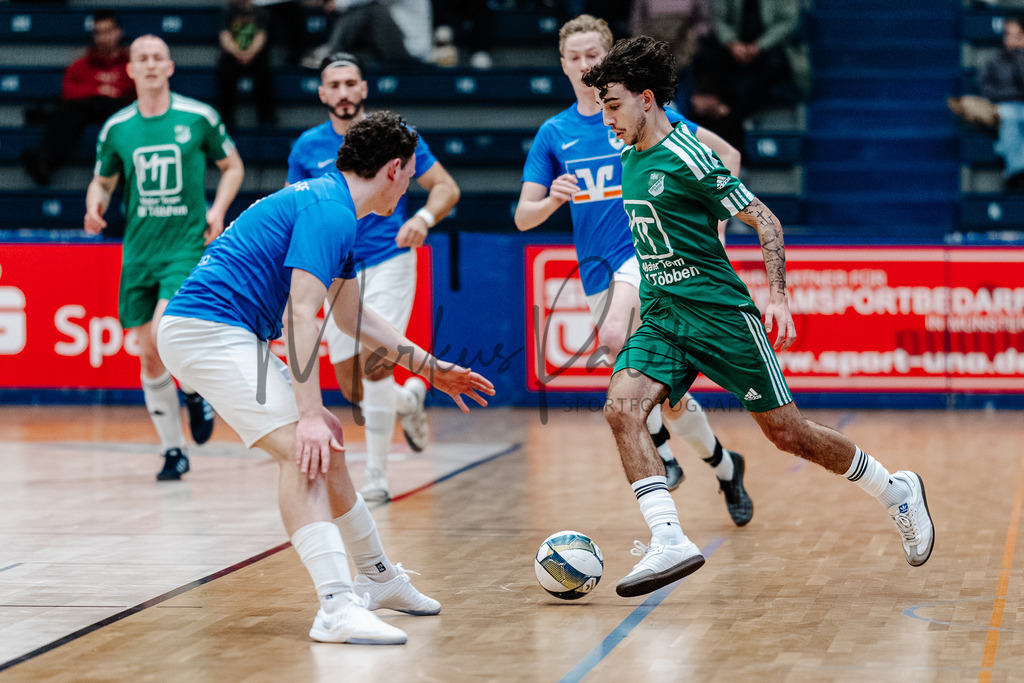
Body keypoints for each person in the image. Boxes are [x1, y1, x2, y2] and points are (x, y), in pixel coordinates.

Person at [582, 36, 934, 597]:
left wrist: (778, 295)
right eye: (602, 106)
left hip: (722, 316)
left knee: (788, 435)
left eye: (613, 104)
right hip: (665, 315)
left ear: (646, 99)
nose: (607, 117)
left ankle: (896, 491)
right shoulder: (627, 155)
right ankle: (669, 538)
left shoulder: (689, 155)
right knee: (622, 407)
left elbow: (766, 221)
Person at [158, 111, 494, 644]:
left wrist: (430, 369)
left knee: (325, 451)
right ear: (393, 168)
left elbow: (351, 317)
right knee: (304, 449)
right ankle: (337, 606)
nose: (409, 185)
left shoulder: (335, 207)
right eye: (409, 175)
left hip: (223, 331)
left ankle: (378, 579)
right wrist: (311, 412)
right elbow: (299, 313)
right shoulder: (330, 210)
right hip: (205, 330)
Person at [514, 15, 752, 527]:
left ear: (609, 57)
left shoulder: (640, 114)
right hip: (599, 273)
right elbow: (522, 215)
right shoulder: (555, 134)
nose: (584, 65)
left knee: (645, 384)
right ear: (562, 65)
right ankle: (724, 465)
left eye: (593, 55)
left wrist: (716, 230)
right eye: (574, 57)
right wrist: (551, 201)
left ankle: (666, 460)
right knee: (657, 396)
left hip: (654, 266)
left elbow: (726, 155)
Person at [288, 52, 460, 503]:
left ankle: (378, 477)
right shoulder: (306, 148)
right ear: (323, 93)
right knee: (351, 386)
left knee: (376, 358)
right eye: (334, 85)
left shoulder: (395, 137)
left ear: (363, 88)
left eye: (351, 83)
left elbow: (446, 187)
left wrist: (422, 217)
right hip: (336, 268)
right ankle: (409, 399)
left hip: (390, 256)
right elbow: (299, 206)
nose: (343, 92)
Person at [84, 35, 245, 481]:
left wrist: (217, 210)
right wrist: (94, 204)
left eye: (158, 58)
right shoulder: (117, 128)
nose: (151, 65)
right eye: (142, 59)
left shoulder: (198, 117)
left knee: (162, 331)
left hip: (185, 247)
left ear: (170, 67)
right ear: (130, 70)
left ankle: (194, 392)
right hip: (139, 250)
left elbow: (232, 166)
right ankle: (174, 449)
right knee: (148, 354)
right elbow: (103, 181)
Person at [21, 10, 135, 186]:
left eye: (107, 31)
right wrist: (100, 90)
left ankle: (126, 171)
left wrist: (108, 93)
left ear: (118, 32)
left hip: (116, 111)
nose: (103, 37)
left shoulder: (130, 64)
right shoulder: (81, 64)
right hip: (86, 110)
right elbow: (68, 92)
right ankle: (44, 165)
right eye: (98, 32)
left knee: (118, 110)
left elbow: (135, 92)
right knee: (68, 110)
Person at [689, 0, 808, 149]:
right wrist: (732, 43)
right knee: (706, 59)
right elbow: (719, 20)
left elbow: (788, 23)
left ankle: (725, 111)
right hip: (733, 50)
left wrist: (759, 46)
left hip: (769, 49)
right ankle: (713, 111)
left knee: (767, 69)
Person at [216, 0, 276, 131]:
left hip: (255, 55)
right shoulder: (228, 9)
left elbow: (262, 35)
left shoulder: (261, 9)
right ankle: (226, 118)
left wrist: (249, 53)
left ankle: (266, 118)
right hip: (232, 55)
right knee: (225, 72)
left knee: (264, 73)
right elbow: (224, 36)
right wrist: (238, 53)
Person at [980, 14, 1024, 192]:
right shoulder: (994, 60)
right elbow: (987, 90)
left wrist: (1020, 56)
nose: (1011, 39)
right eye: (1008, 34)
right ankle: (1018, 171)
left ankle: (1015, 169)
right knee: (1009, 117)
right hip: (1006, 109)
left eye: (1017, 35)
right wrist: (1014, 95)